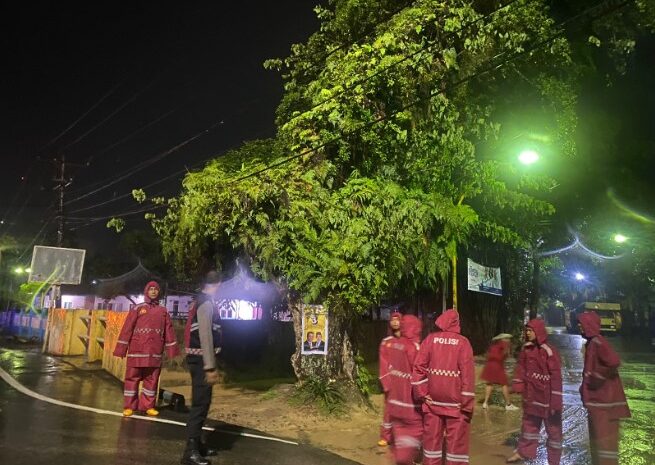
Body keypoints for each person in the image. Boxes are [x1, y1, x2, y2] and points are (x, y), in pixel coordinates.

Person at [412, 309, 475, 465]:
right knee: (456, 448)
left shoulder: (430, 340)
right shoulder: (463, 343)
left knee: (431, 444)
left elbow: (418, 368)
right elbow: (467, 375)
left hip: (432, 403)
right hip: (457, 405)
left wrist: (422, 393)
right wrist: (467, 405)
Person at [113, 280, 179, 417]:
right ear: (146, 291)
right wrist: (121, 349)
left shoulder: (163, 311)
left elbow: (169, 331)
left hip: (154, 352)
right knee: (132, 379)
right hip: (136, 351)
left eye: (156, 289)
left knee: (152, 380)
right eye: (151, 289)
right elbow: (127, 329)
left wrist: (172, 350)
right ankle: (129, 406)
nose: (154, 291)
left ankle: (147, 406)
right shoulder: (137, 309)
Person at [507, 319, 563, 465]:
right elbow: (521, 368)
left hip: (548, 399)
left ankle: (554, 460)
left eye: (530, 330)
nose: (527, 333)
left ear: (538, 331)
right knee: (528, 426)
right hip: (532, 397)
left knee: (554, 432)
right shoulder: (526, 349)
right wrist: (518, 384)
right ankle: (523, 452)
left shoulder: (549, 351)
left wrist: (556, 400)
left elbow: (556, 376)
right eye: (526, 330)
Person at [578, 311, 630, 465]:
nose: (579, 325)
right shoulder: (592, 343)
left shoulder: (598, 342)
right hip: (598, 403)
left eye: (582, 322)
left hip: (605, 404)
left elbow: (614, 361)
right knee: (598, 443)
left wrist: (595, 379)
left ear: (589, 324)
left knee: (605, 444)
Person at [181, 271, 222, 465]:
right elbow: (206, 336)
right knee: (199, 404)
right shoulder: (206, 302)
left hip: (198, 359)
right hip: (200, 361)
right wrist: (210, 366)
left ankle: (198, 444)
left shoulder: (201, 300)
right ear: (216, 284)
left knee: (203, 402)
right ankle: (190, 451)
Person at [385, 314, 423, 465]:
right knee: (421, 432)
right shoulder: (414, 348)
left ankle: (404, 457)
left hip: (395, 405)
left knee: (401, 439)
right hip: (410, 406)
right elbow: (419, 375)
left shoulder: (395, 344)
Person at [378, 311, 402, 447]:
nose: (394, 322)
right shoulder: (386, 342)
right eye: (392, 320)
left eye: (397, 319)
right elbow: (383, 364)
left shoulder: (410, 342)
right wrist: (386, 383)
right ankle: (386, 436)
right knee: (389, 410)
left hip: (405, 382)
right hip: (392, 382)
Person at [480, 333, 518, 410]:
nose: (508, 340)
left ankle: (485, 403)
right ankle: (508, 404)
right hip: (497, 366)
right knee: (504, 384)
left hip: (489, 365)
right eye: (507, 338)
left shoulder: (494, 345)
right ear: (503, 339)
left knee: (489, 384)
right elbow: (504, 356)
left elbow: (488, 355)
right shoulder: (505, 345)